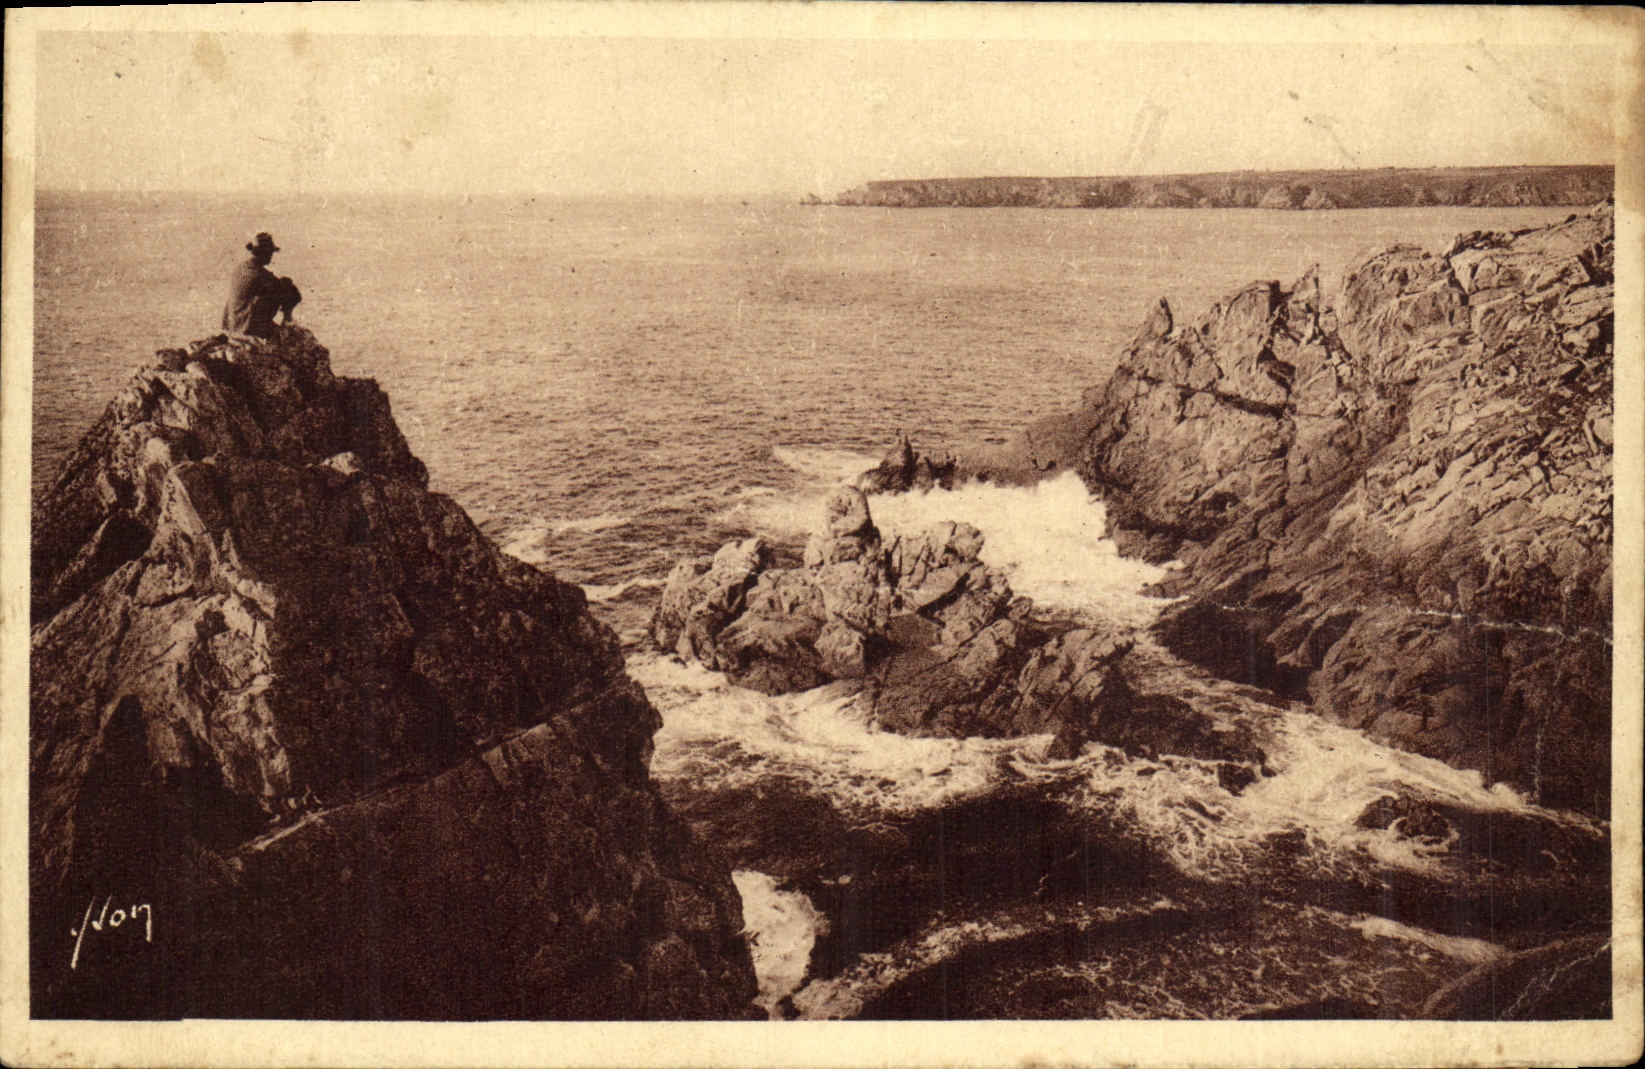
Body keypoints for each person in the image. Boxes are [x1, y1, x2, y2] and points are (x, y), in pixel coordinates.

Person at [222, 232, 301, 338]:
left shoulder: (240, 268)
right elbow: (288, 290)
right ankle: (287, 322)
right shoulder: (260, 274)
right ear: (265, 253)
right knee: (286, 288)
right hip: (246, 328)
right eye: (270, 253)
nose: (271, 256)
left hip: (232, 324)